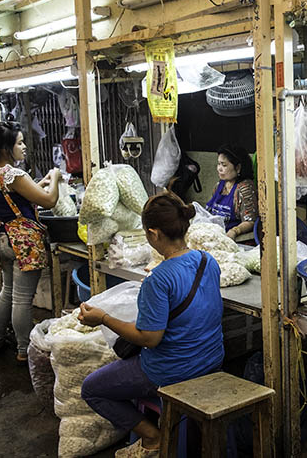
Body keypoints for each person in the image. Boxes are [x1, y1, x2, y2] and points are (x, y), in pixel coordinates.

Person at [79, 191, 224, 458]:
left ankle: (153, 436)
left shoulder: (159, 279)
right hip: (211, 359)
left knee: (91, 388)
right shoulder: (208, 261)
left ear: (155, 234)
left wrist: (103, 318)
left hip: (172, 371)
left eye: (146, 232)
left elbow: (149, 338)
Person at [0, 121, 61, 362]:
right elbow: (49, 202)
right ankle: (23, 351)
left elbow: (15, 199)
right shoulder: (13, 173)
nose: (24, 147)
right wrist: (56, 178)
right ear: (7, 148)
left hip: (2, 238)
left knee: (7, 291)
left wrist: (38, 185)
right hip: (23, 242)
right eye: (19, 143)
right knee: (22, 299)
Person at [205, 144, 258, 240]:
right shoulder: (219, 185)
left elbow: (250, 221)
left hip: (234, 241)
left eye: (224, 165)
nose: (219, 169)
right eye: (218, 164)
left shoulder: (244, 188)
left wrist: (235, 231)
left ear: (238, 168)